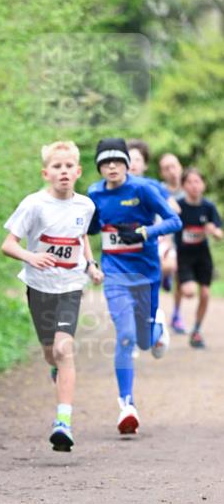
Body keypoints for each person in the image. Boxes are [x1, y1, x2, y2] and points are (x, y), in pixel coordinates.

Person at [1, 141, 103, 452]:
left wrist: (90, 265)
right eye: (57, 167)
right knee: (51, 354)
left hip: (71, 286)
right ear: (46, 172)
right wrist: (31, 257)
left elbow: (81, 236)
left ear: (78, 171)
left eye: (69, 166)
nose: (63, 172)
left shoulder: (85, 206)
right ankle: (58, 371)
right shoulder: (34, 204)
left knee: (64, 347)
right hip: (39, 287)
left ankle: (63, 422)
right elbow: (8, 244)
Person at [88, 138, 181, 435]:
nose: (112, 166)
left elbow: (174, 221)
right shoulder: (94, 193)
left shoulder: (142, 189)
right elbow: (89, 227)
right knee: (125, 336)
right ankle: (127, 404)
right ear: (99, 167)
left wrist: (145, 232)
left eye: (117, 161)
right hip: (115, 275)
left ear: (127, 164)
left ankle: (157, 328)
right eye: (105, 162)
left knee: (143, 341)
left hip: (146, 275)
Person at [175, 167, 222, 348]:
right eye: (190, 182)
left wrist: (213, 232)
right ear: (183, 185)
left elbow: (219, 232)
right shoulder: (178, 206)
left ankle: (196, 330)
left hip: (203, 255)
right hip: (184, 255)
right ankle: (180, 283)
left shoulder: (208, 207)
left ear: (203, 184)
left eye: (197, 181)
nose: (194, 186)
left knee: (205, 293)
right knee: (189, 292)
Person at [128, 139, 178, 293]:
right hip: (126, 240)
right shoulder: (116, 186)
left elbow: (175, 209)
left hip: (153, 236)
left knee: (168, 265)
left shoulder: (153, 185)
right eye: (129, 159)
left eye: (138, 159)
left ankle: (164, 276)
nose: (133, 163)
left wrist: (163, 233)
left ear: (145, 164)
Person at [158, 151, 188, 333]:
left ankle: (177, 314)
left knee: (181, 281)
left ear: (180, 167)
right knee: (169, 266)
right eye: (166, 168)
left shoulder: (189, 189)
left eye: (174, 166)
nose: (171, 171)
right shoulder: (159, 190)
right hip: (164, 237)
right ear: (162, 173)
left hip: (184, 241)